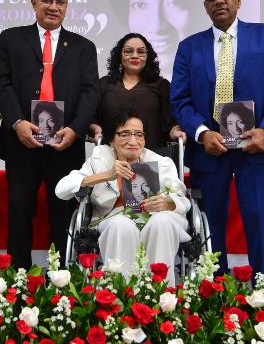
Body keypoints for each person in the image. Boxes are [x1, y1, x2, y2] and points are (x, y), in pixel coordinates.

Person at [171, 0, 264, 274]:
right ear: (205, 6)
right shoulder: (189, 47)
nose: (219, 0)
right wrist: (201, 134)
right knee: (209, 234)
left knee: (263, 226)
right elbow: (180, 100)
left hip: (259, 149)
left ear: (238, 0)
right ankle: (216, 296)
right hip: (210, 153)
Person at [0, 0, 100, 269]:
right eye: (47, 0)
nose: (53, 7)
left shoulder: (83, 46)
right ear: (34, 3)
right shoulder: (11, 38)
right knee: (20, 212)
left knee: (62, 214)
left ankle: (61, 277)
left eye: (60, 2)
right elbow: (1, 85)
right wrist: (17, 122)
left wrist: (75, 129)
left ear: (67, 6)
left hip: (65, 146)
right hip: (21, 144)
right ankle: (18, 278)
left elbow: (91, 93)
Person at [56, 110, 189, 285]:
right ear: (111, 139)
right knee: (121, 225)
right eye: (125, 134)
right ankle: (122, 298)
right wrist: (106, 175)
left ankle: (162, 296)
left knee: (162, 222)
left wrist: (167, 203)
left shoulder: (162, 162)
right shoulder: (100, 158)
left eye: (139, 135)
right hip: (114, 217)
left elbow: (183, 200)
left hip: (156, 215)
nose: (133, 141)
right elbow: (61, 190)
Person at [90, 33, 186, 149]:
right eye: (128, 51)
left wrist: (176, 132)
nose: (135, 55)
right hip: (111, 158)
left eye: (140, 52)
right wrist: (96, 130)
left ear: (148, 57)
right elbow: (91, 117)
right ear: (119, 55)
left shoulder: (161, 85)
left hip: (152, 158)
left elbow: (170, 123)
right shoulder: (104, 84)